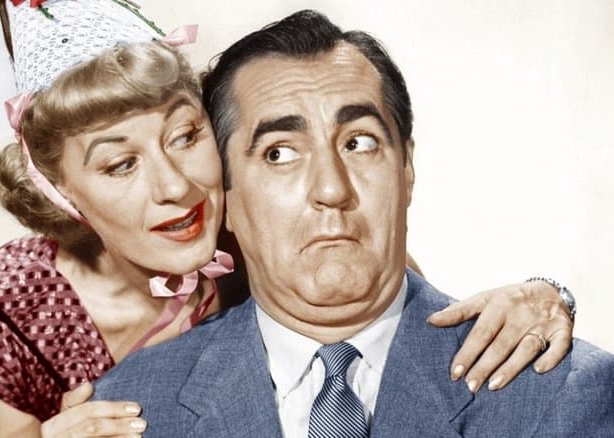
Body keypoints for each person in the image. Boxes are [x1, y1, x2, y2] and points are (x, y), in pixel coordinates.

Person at [0, 1, 575, 437]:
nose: (176, 186)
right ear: (59, 191)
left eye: (185, 135)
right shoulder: (11, 334)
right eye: (120, 164)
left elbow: (407, 321)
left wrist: (544, 297)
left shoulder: (265, 224)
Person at [91, 9, 614, 437]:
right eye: (279, 153)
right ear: (225, 193)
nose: (331, 189)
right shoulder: (129, 410)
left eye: (359, 143)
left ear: (406, 169)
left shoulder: (563, 394)